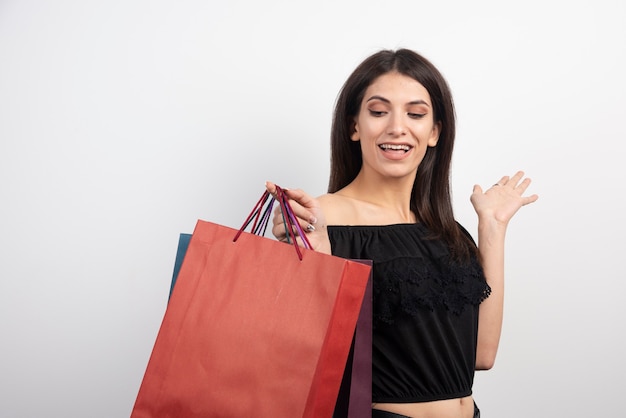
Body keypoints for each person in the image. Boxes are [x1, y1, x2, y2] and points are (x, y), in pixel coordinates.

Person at [266, 48, 538, 418]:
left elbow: (482, 355)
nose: (397, 127)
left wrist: (492, 227)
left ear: (434, 132)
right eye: (378, 112)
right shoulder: (320, 220)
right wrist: (314, 259)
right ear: (354, 126)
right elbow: (297, 364)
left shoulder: (446, 232)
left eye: (416, 114)